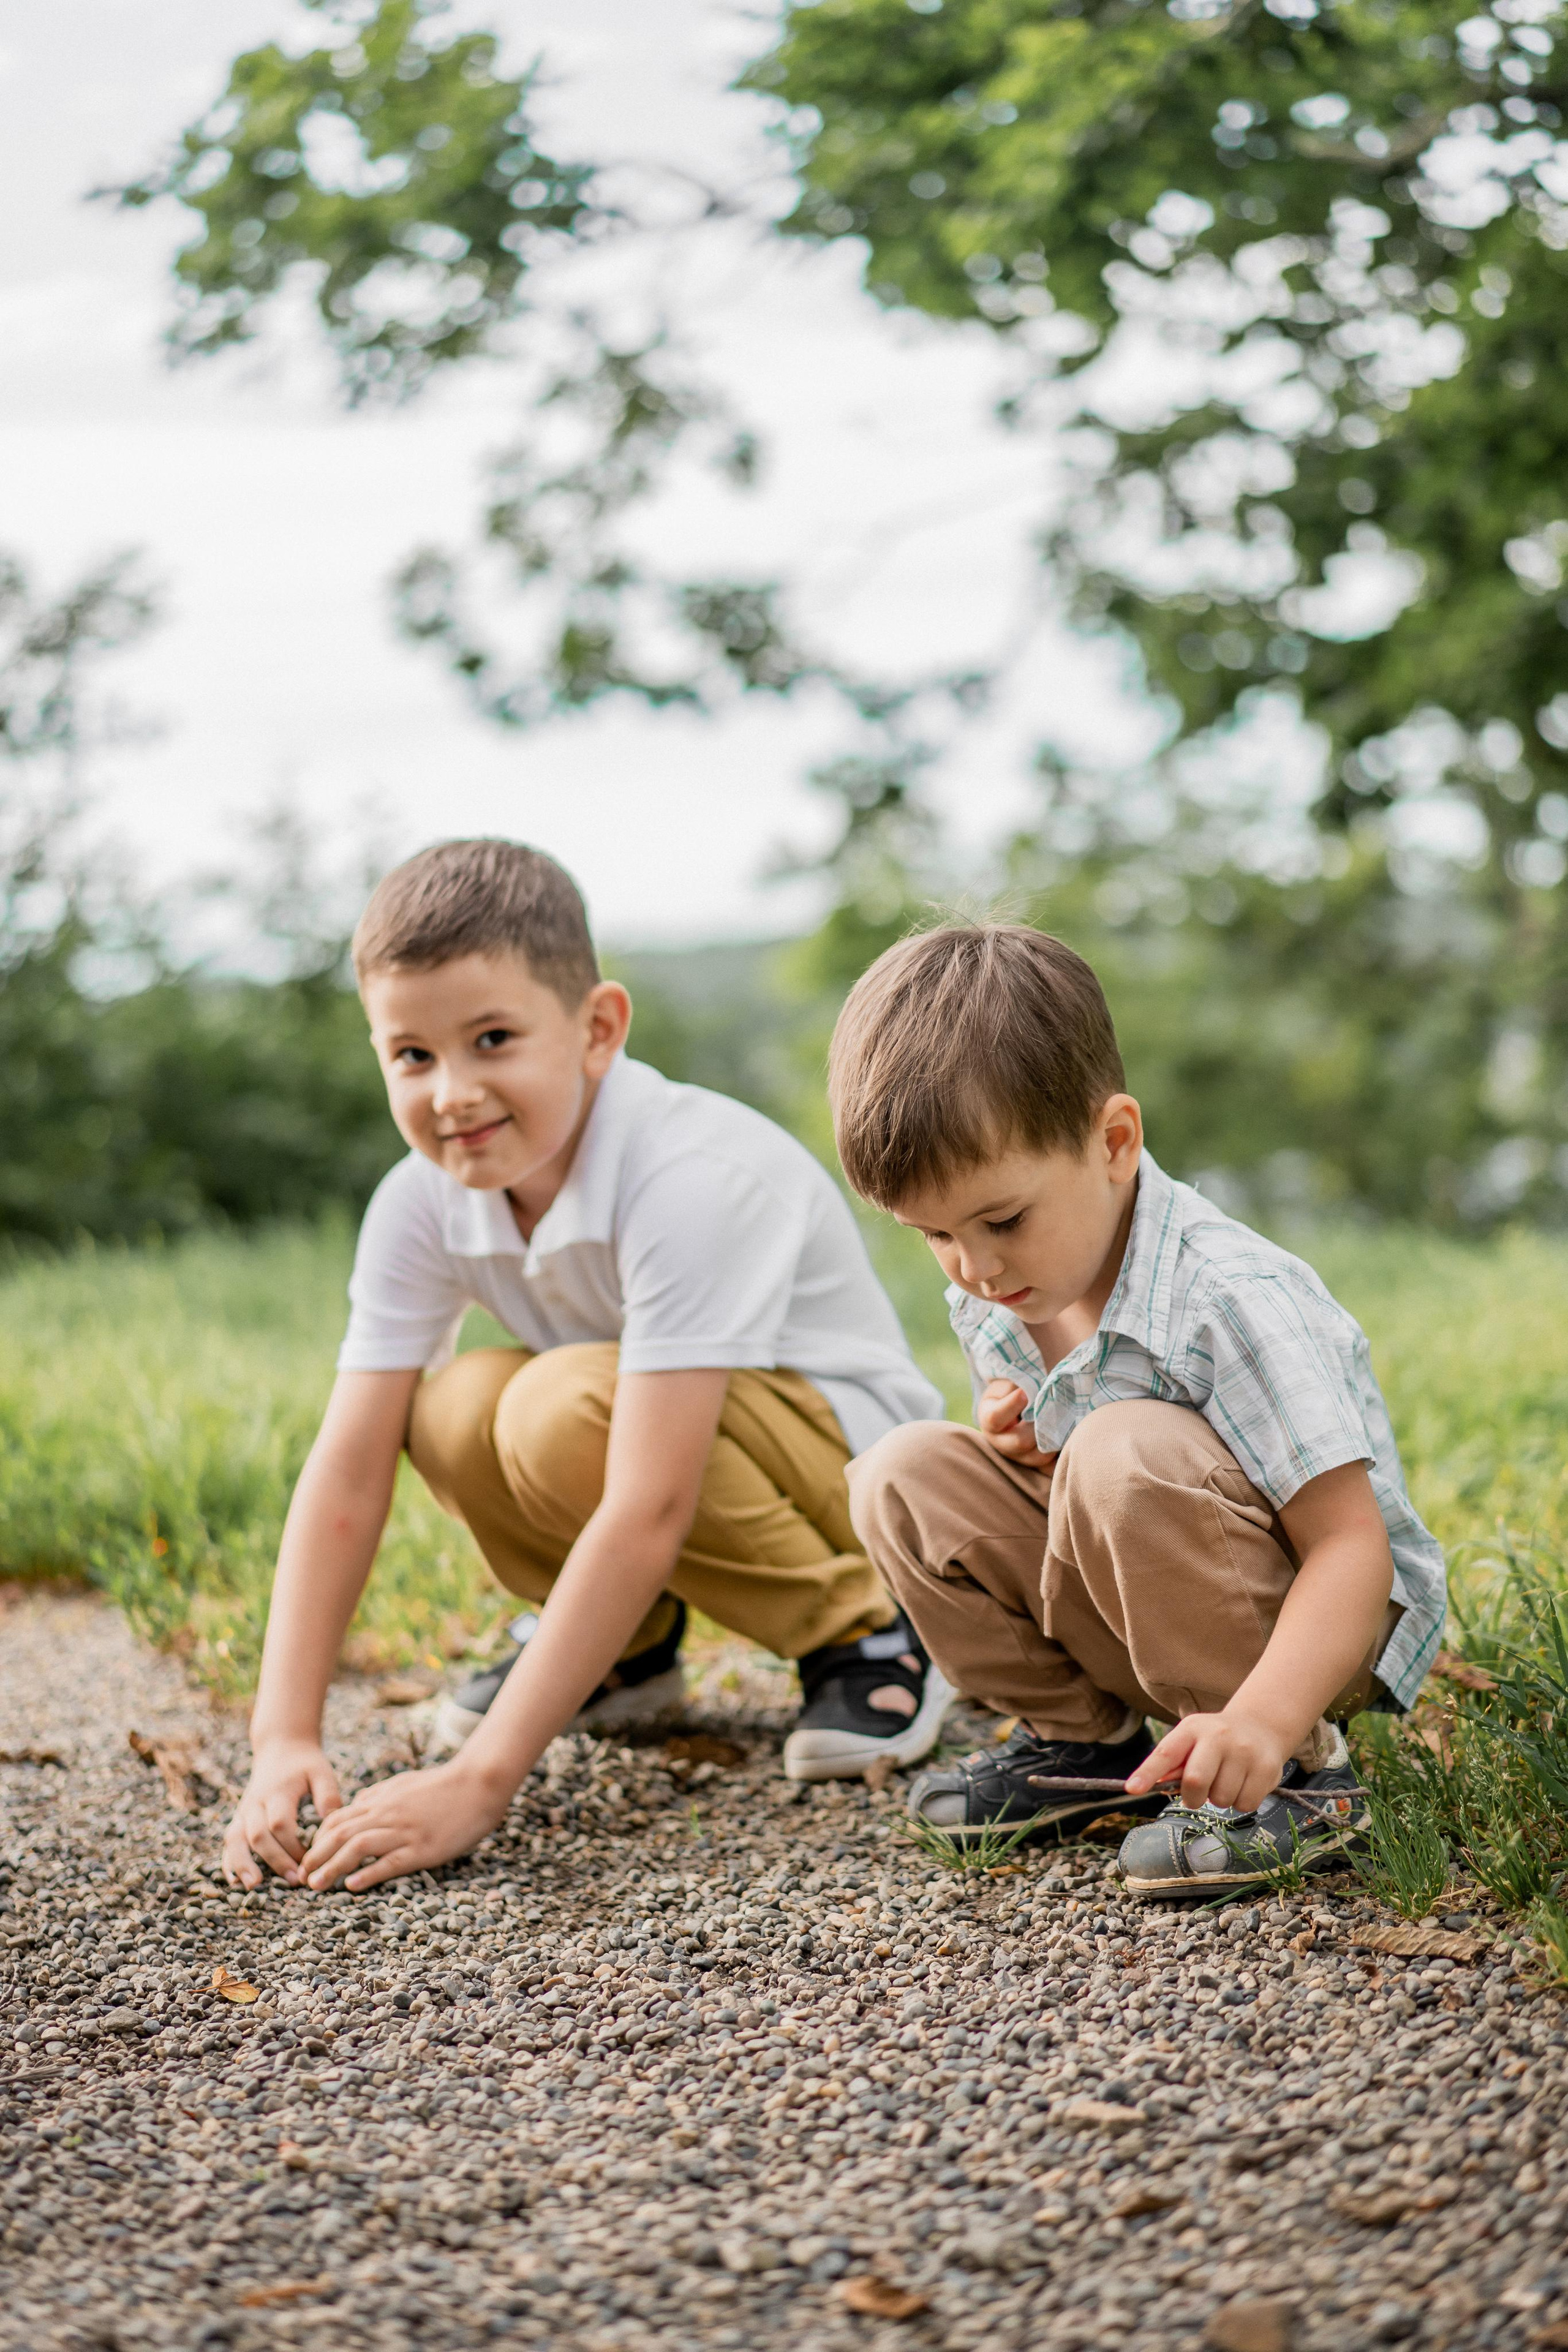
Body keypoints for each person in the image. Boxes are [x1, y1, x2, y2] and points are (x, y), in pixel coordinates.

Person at [223, 839, 951, 1894]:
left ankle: (866, 1632)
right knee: (455, 1406)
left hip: (861, 1490)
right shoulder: (421, 1201)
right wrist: (281, 1737)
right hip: (655, 1448)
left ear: (597, 1029)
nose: (453, 1092)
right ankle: (628, 1655)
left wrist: (482, 1780)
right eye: (412, 1056)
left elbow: (649, 1502)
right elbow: (347, 1468)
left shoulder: (685, 1173)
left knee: (563, 1408)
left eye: (493, 1039)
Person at [829, 922, 1446, 1895]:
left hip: (1310, 1637)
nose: (975, 1267)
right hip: (1140, 1593)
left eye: (1001, 1221)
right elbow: (1091, 1487)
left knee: (1125, 1448)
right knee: (901, 1472)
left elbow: (1350, 1551)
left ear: (1114, 1141)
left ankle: (1295, 1778)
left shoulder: (1227, 1296)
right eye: (933, 1235)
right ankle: (1083, 1747)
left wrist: (1267, 1717)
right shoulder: (1005, 1291)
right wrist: (1035, 1451)